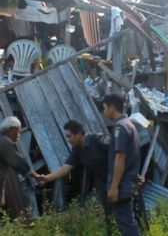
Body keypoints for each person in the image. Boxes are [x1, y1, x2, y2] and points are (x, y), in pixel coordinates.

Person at [40, 120, 112, 234]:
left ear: (79, 133)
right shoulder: (77, 150)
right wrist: (46, 178)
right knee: (109, 216)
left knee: (125, 214)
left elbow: (122, 152)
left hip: (119, 180)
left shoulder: (98, 140)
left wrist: (131, 173)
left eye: (69, 136)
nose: (68, 140)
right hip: (103, 183)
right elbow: (65, 169)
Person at [102, 94, 141, 236]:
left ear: (112, 107)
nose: (104, 112)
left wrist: (113, 187)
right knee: (128, 223)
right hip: (127, 184)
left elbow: (120, 157)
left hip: (121, 186)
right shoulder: (130, 125)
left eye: (105, 108)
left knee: (128, 227)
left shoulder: (120, 127)